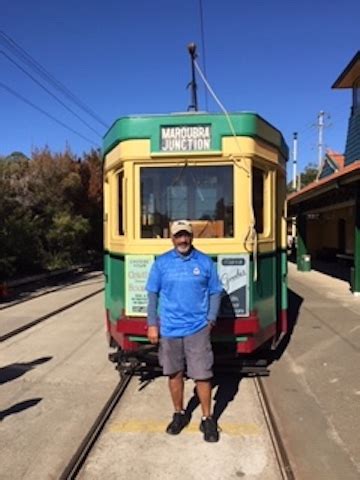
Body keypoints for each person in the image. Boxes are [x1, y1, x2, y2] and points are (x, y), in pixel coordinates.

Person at [146, 219, 223, 442]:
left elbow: (215, 292)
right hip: (170, 328)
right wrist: (152, 324)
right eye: (178, 235)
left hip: (197, 329)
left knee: (203, 375)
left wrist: (211, 320)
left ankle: (207, 419)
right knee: (174, 373)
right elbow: (152, 294)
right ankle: (179, 414)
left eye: (186, 235)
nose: (182, 240)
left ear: (192, 237)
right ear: (172, 238)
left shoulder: (205, 262)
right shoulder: (161, 263)